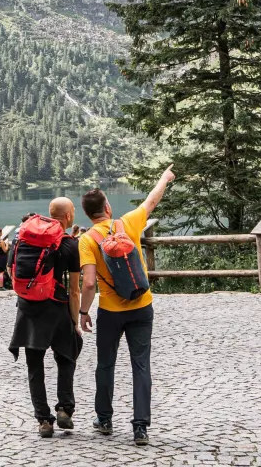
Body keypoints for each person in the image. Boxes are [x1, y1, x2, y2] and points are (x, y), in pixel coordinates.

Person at [78, 166, 175, 447]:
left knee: (105, 364)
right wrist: (165, 178)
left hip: (110, 311)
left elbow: (88, 283)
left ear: (87, 214)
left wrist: (83, 313)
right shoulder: (127, 223)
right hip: (142, 305)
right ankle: (140, 428)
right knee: (141, 366)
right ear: (107, 207)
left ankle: (105, 419)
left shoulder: (87, 239)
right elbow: (151, 200)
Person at [9, 199, 82, 437]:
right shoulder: (68, 244)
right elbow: (74, 289)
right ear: (68, 217)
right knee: (67, 355)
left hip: (28, 309)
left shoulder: (23, 238)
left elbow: (13, 272)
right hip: (58, 308)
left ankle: (43, 420)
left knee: (34, 367)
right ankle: (65, 409)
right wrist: (75, 322)